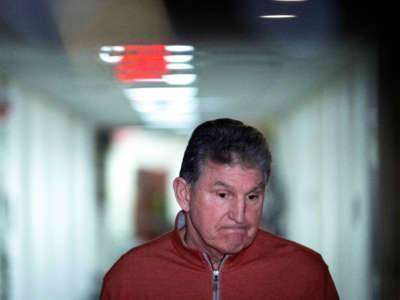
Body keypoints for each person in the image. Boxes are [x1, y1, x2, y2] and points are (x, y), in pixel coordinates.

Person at [100, 118, 339, 300]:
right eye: (223, 195)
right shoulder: (130, 277)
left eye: (253, 196)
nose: (240, 215)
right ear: (184, 194)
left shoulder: (305, 273)